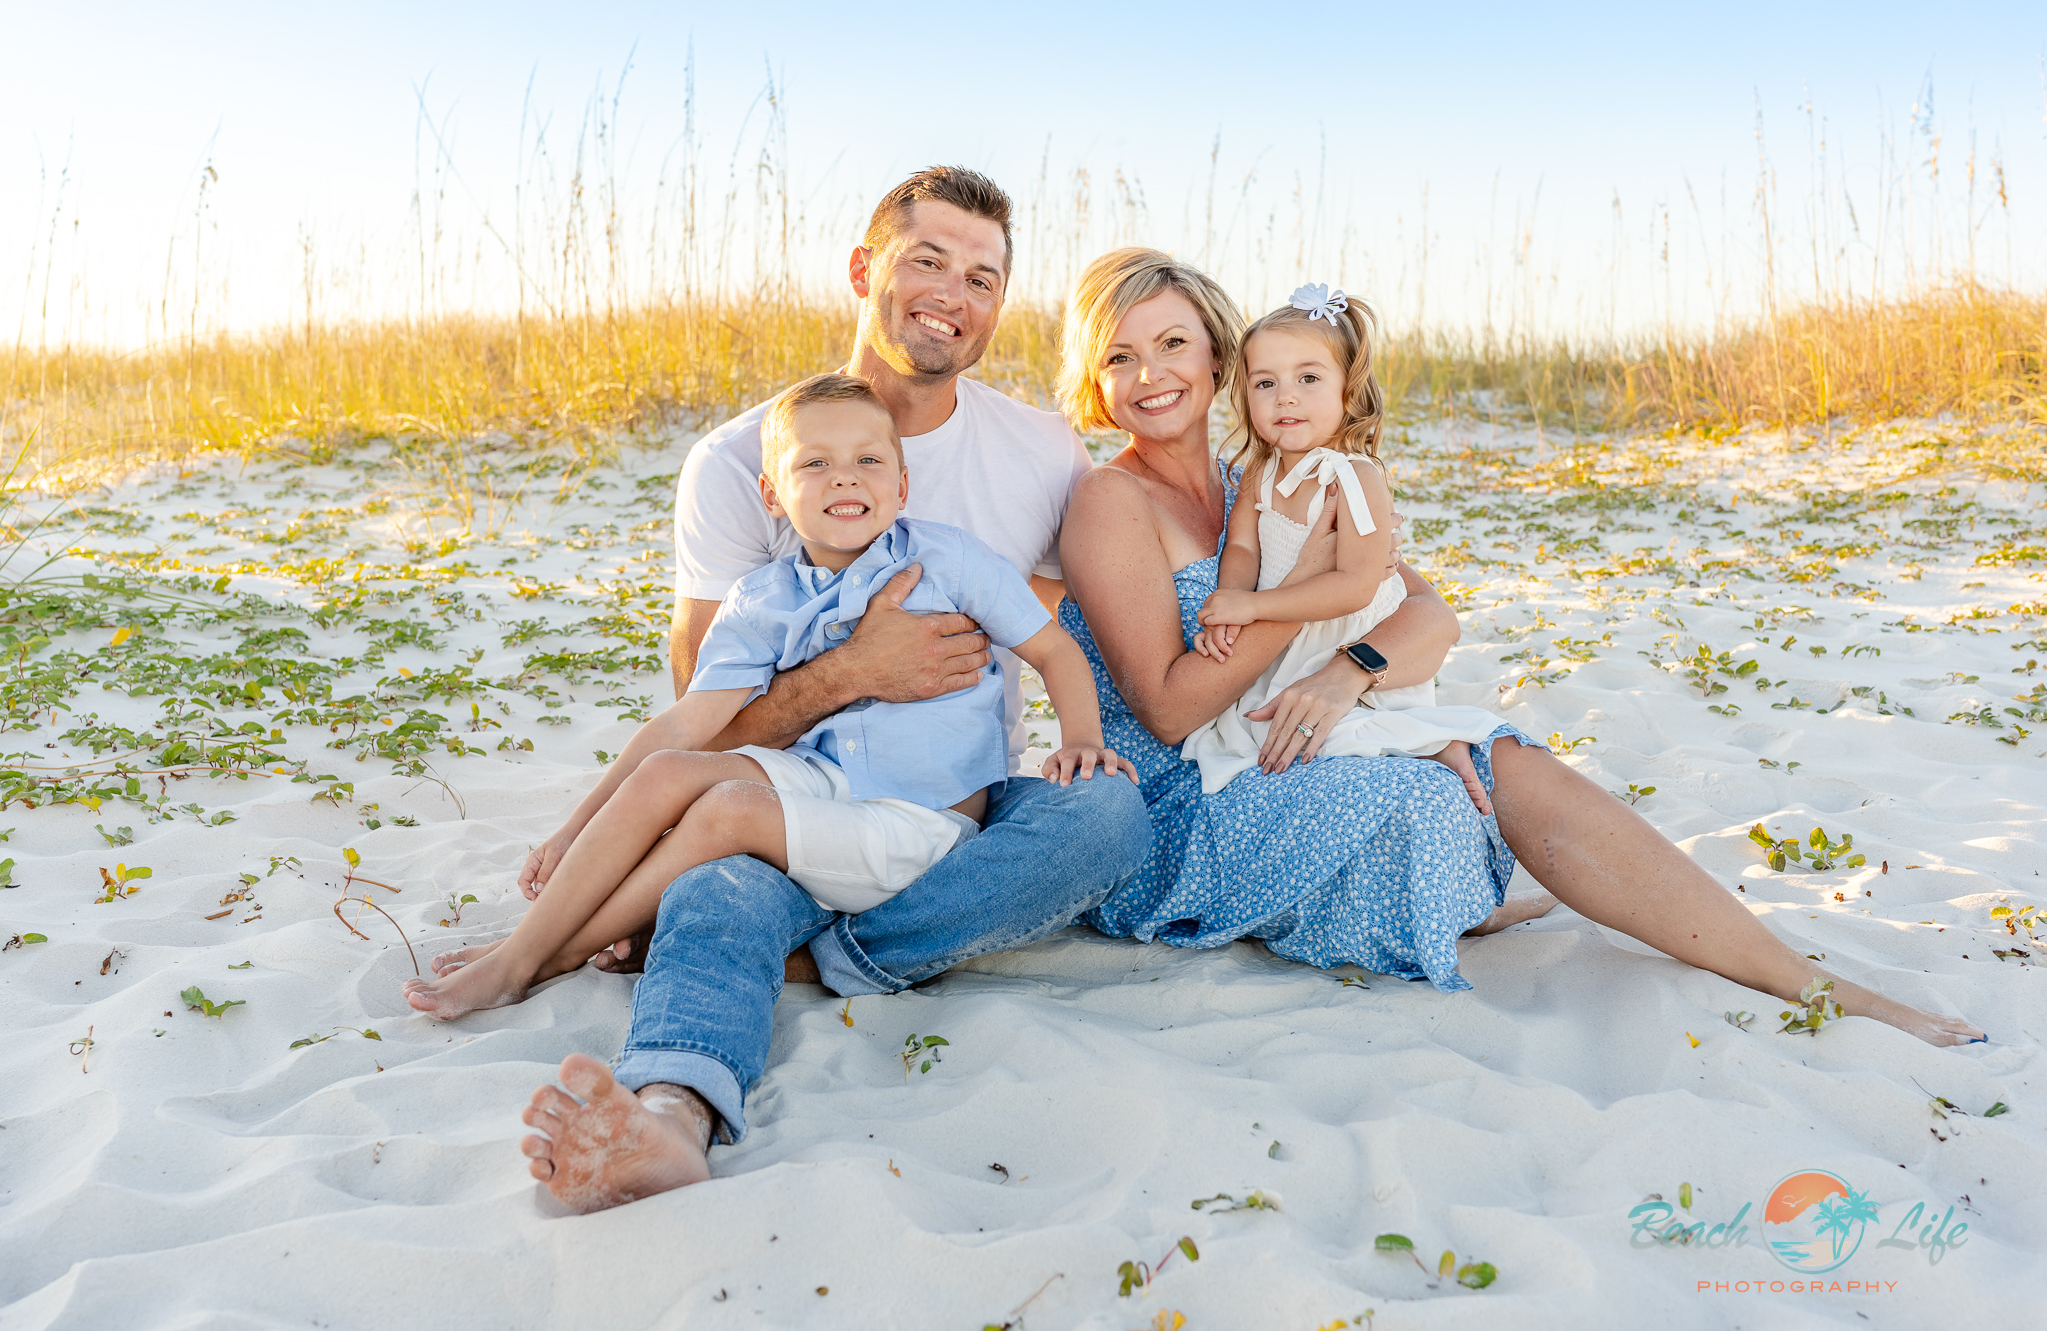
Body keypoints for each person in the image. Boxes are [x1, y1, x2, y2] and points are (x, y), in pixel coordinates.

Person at [1051, 245, 1984, 1044]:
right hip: (1185, 802)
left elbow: (1426, 617)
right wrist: (1306, 606)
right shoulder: (1111, 500)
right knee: (1429, 793)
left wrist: (1350, 672)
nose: (1149, 374)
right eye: (1119, 355)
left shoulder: (1270, 476)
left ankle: (1796, 976)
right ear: (1095, 380)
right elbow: (1172, 707)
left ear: (1219, 355)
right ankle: (1468, 905)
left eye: (1172, 342)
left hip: (1283, 739)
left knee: (1494, 757)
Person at [515, 169, 1152, 1214]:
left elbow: (1066, 631)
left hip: (952, 811)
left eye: (982, 277)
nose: (954, 292)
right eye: (926, 260)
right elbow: (710, 719)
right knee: (716, 887)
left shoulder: (1039, 451)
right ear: (865, 270)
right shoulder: (742, 462)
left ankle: (825, 963)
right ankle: (672, 1116)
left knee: (1106, 816)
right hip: (789, 806)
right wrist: (854, 672)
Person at [400, 375, 1132, 1021]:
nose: (846, 479)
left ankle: (538, 958)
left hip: (922, 820)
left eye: (868, 461)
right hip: (820, 784)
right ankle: (526, 948)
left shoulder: (948, 559)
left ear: (902, 485)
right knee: (669, 777)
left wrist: (1080, 735)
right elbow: (689, 725)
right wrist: (571, 829)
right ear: (773, 494)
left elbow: (1054, 650)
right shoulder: (765, 597)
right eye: (815, 463)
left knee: (727, 811)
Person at [1181, 281, 1507, 799]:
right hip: (1286, 636)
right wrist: (1230, 608)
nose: (1285, 395)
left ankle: (1431, 742)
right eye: (1265, 383)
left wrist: (1257, 605)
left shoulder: (1353, 477)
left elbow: (1356, 585)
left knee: (1330, 733)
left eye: (1308, 377)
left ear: (1346, 391)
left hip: (1342, 634)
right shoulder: (1259, 473)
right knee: (1253, 728)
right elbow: (1242, 548)